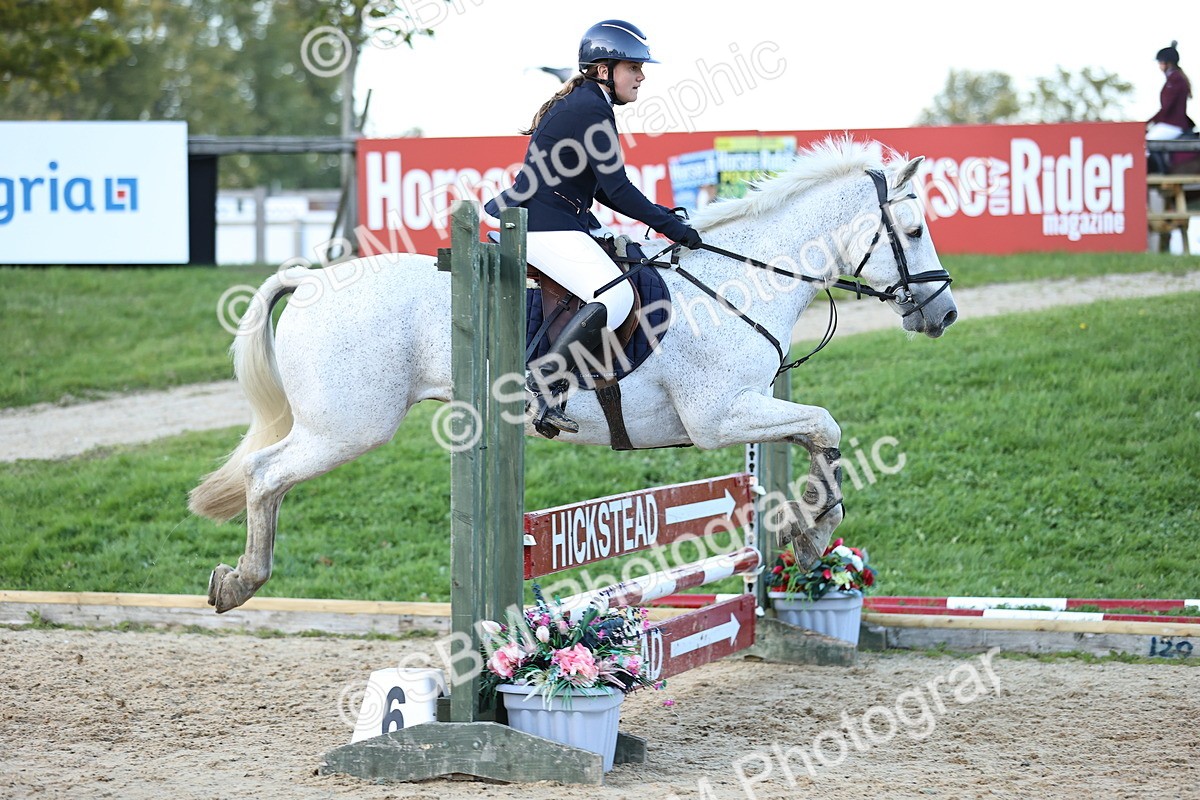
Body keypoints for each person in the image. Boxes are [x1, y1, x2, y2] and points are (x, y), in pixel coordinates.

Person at [485, 19, 703, 438]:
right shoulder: (589, 108)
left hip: (558, 220)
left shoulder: (589, 102)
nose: (642, 76)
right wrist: (672, 228)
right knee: (618, 297)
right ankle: (547, 382)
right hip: (546, 225)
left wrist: (663, 216)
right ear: (604, 70)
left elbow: (602, 187)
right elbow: (618, 189)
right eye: (633, 68)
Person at [1146, 41, 1195, 172]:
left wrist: (1148, 123)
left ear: (1167, 63)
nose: (1159, 66)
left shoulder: (1175, 79)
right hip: (1169, 123)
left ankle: (1161, 173)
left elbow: (1166, 108)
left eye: (1160, 63)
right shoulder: (1175, 78)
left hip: (1172, 125)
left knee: (1147, 141)